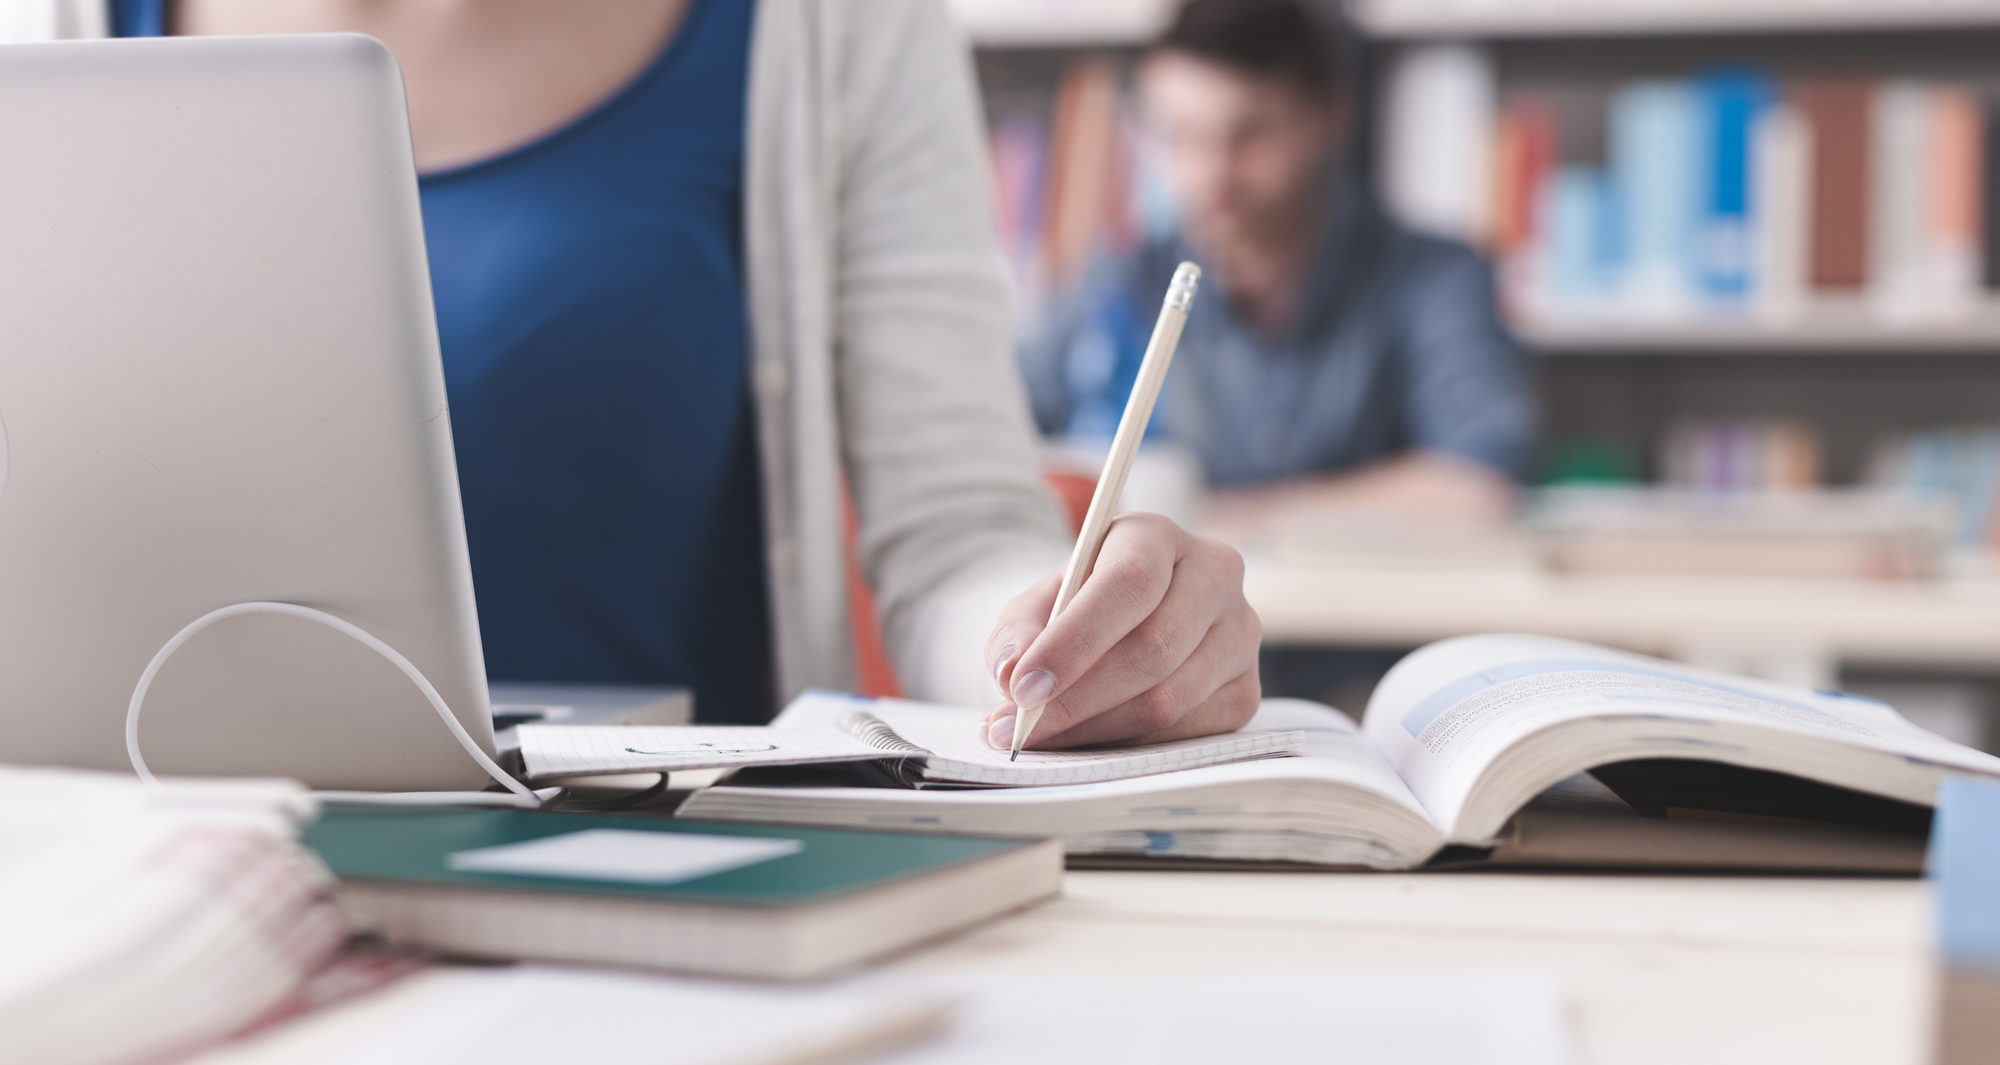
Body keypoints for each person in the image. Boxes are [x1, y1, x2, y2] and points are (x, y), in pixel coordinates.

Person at [15, 0, 1261, 750]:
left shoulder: (831, 31)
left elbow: (953, 539)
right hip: (140, 878)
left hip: (657, 899)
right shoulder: (46, 23)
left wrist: (1057, 643)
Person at [1021, 0, 1536, 531]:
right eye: (1181, 136)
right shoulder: (1121, 279)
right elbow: (1000, 437)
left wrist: (1207, 519)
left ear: (1327, 118)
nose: (1211, 175)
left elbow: (1480, 487)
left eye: (1248, 135)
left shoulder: (1434, 279)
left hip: (1365, 608)